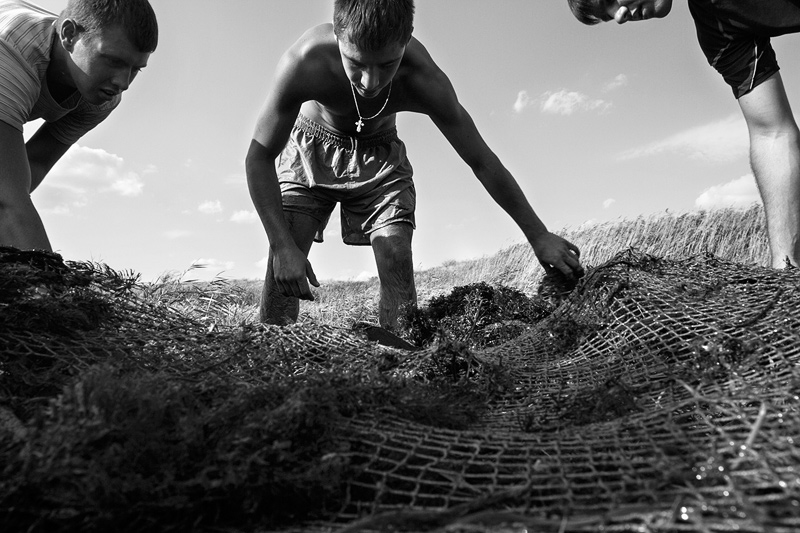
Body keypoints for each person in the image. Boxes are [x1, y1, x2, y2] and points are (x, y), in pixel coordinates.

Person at [246, 0, 584, 330]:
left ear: (407, 36)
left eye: (387, 64)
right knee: (285, 259)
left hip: (381, 159)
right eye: (356, 63)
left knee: (396, 256)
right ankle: (271, 353)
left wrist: (537, 234)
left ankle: (400, 363)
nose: (370, 82)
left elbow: (481, 159)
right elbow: (258, 157)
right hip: (312, 149)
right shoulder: (305, 63)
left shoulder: (424, 79)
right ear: (337, 32)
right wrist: (280, 245)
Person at [567, 0, 800, 269]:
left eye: (612, 0)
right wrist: (786, 267)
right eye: (608, 17)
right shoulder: (717, 31)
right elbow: (772, 133)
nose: (619, 15)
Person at [0, 0, 158, 252]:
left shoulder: (100, 99)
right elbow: (6, 199)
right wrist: (52, 286)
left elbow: (35, 163)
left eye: (135, 68)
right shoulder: (12, 48)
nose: (123, 82)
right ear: (69, 35)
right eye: (113, 60)